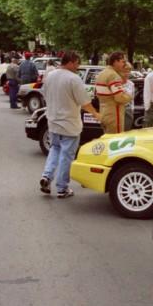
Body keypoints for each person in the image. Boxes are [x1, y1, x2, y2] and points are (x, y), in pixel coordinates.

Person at [39, 52, 100, 198]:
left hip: (53, 121)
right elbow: (85, 103)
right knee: (66, 156)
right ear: (71, 62)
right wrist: (96, 114)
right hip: (69, 123)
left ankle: (46, 176)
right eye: (77, 63)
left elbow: (44, 94)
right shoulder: (73, 79)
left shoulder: (50, 76)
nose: (78, 67)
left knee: (55, 149)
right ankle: (62, 187)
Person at [95, 52, 132, 133]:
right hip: (114, 116)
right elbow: (119, 97)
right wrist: (130, 96)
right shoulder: (114, 76)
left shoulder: (101, 74)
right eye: (123, 61)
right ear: (115, 62)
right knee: (115, 141)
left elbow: (97, 94)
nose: (124, 64)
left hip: (103, 113)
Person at [120, 62, 136, 130]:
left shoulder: (131, 84)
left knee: (127, 131)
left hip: (128, 111)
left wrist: (132, 110)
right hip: (119, 109)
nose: (126, 74)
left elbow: (132, 99)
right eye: (124, 71)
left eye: (128, 71)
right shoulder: (116, 83)